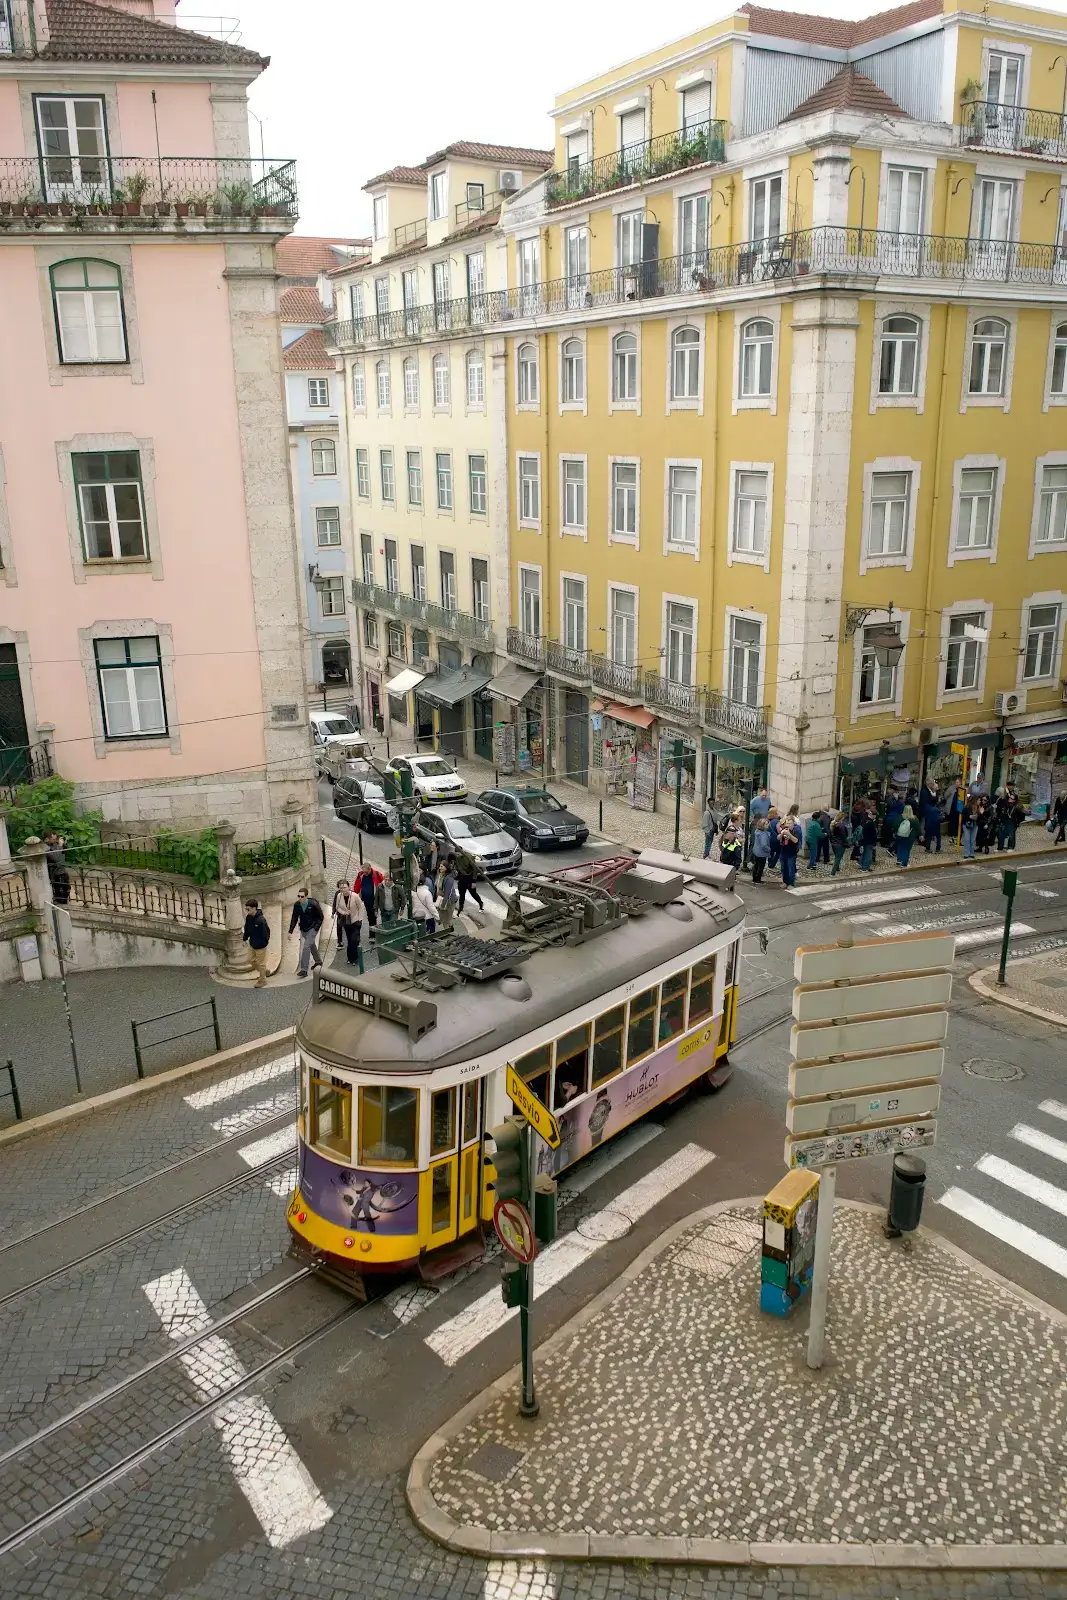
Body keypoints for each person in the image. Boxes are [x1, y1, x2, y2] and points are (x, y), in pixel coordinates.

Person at [288, 888, 324, 978]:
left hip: (312, 927)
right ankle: (318, 961)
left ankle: (304, 970)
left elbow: (321, 917)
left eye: (302, 896)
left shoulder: (313, 904)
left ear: (306, 896)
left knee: (306, 946)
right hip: (304, 929)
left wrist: (316, 928)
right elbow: (294, 918)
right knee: (311, 945)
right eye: (298, 896)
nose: (300, 898)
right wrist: (290, 931)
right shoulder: (297, 905)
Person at [332, 879, 366, 966]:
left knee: (354, 940)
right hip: (346, 921)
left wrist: (360, 919)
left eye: (344, 887)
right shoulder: (339, 896)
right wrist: (344, 912)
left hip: (355, 921)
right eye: (341, 888)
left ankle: (355, 958)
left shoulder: (355, 896)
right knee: (349, 939)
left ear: (348, 887)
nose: (343, 889)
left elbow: (360, 907)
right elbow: (337, 907)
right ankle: (350, 958)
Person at [242, 897, 271, 987]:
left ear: (254, 908)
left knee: (260, 963)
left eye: (248, 909)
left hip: (260, 946)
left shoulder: (261, 920)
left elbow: (267, 932)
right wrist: (244, 938)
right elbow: (247, 929)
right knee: (252, 961)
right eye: (246, 909)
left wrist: (263, 943)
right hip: (252, 944)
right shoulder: (249, 918)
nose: (247, 911)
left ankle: (262, 980)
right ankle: (264, 971)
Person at [43, 831, 71, 906]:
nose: (55, 841)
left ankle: (64, 903)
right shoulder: (45, 847)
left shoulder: (55, 844)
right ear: (46, 839)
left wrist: (64, 845)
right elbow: (55, 857)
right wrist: (60, 846)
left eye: (56, 839)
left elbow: (63, 853)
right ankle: (60, 904)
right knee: (60, 891)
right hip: (54, 872)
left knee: (67, 888)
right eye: (53, 839)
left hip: (62, 870)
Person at [777, 807, 802, 887]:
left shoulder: (796, 830)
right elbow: (778, 838)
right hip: (784, 851)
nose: (788, 825)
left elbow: (796, 840)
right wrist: (781, 834)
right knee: (784, 868)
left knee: (791, 868)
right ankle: (785, 882)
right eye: (787, 823)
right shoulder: (785, 828)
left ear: (793, 823)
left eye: (790, 823)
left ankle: (791, 883)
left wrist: (789, 835)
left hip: (791, 852)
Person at [454, 845, 484, 913]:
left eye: (458, 854)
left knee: (473, 894)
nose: (457, 856)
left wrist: (474, 881)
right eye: (456, 854)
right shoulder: (457, 857)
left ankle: (480, 904)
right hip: (462, 878)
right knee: (461, 895)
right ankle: (460, 909)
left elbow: (475, 869)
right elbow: (457, 866)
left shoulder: (469, 857)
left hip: (469, 877)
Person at [355, 862, 378, 938]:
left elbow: (382, 883)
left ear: (369, 869)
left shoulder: (376, 874)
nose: (364, 873)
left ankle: (374, 934)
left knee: (373, 916)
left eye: (366, 872)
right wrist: (355, 895)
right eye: (363, 871)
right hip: (366, 900)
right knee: (371, 917)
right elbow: (357, 885)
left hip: (375, 899)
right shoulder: (360, 875)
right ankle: (373, 934)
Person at [436, 855, 459, 930]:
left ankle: (449, 930)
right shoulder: (441, 875)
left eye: (442, 866)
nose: (440, 868)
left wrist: (443, 905)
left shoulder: (449, 879)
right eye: (440, 866)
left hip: (449, 901)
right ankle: (447, 928)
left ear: (446, 868)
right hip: (442, 899)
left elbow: (447, 894)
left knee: (447, 918)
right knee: (442, 917)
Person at [895, 804, 919, 868]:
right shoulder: (914, 819)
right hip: (909, 837)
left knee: (900, 847)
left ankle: (899, 860)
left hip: (900, 835)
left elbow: (895, 825)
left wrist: (895, 832)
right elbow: (917, 828)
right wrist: (919, 835)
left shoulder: (900, 817)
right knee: (906, 849)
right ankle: (904, 864)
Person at [921, 785, 942, 853]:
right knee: (938, 836)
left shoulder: (927, 807)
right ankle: (938, 849)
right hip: (936, 824)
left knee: (929, 836)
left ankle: (928, 848)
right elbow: (940, 817)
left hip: (929, 823)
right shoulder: (937, 809)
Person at [750, 816, 771, 883]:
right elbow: (764, 845)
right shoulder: (763, 835)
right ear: (763, 826)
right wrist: (769, 849)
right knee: (760, 867)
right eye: (766, 824)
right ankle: (758, 879)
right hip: (762, 853)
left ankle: (754, 877)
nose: (768, 825)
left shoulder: (757, 831)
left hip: (756, 851)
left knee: (756, 865)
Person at [961, 794, 978, 860]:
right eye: (978, 800)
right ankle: (966, 853)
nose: (979, 801)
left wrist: (980, 814)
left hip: (975, 825)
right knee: (967, 839)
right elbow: (963, 816)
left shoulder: (978, 808)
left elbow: (981, 817)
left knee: (972, 840)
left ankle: (971, 853)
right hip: (967, 825)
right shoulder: (967, 807)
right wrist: (969, 817)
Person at [765, 806, 781, 872]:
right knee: (778, 852)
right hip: (776, 840)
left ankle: (769, 863)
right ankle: (772, 864)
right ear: (775, 813)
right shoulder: (777, 821)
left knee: (771, 852)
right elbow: (779, 831)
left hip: (769, 839)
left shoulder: (768, 821)